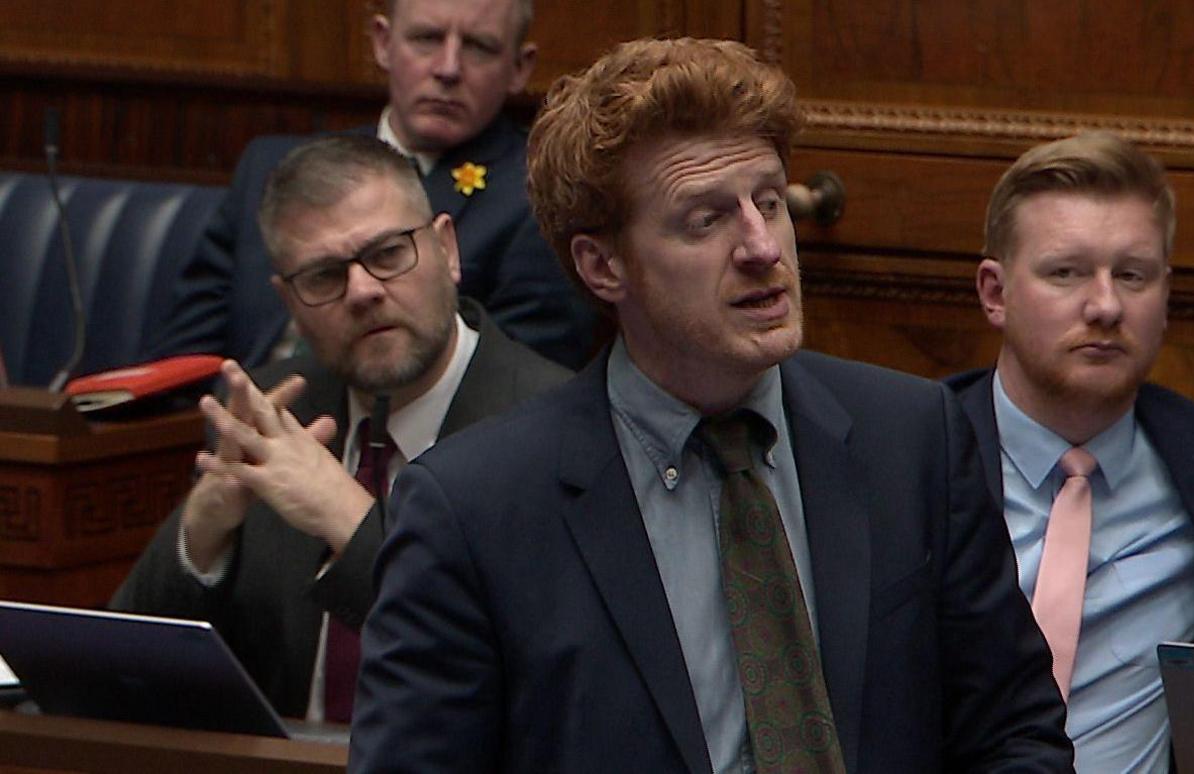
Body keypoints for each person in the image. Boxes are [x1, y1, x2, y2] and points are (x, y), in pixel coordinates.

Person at [349, 37, 1073, 773]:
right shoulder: (474, 511)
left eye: (768, 201)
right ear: (604, 266)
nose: (762, 247)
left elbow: (1015, 735)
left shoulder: (913, 437)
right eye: (705, 220)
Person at [111, 135, 570, 722]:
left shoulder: (552, 425)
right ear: (289, 301)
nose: (363, 292)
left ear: (447, 249)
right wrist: (201, 533)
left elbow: (519, 674)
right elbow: (126, 668)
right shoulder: (271, 411)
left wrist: (352, 525)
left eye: (387, 253)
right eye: (325, 276)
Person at [945, 131, 1194, 772]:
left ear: (1165, 298)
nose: (1106, 305)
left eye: (1133, 275)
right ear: (995, 294)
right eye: (1066, 272)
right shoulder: (915, 451)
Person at [146, 0, 597, 371]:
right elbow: (183, 360)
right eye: (426, 39)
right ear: (382, 43)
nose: (448, 68)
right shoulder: (274, 169)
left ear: (519, 68)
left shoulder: (539, 195)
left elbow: (517, 390)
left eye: (479, 47)